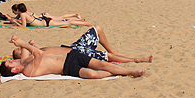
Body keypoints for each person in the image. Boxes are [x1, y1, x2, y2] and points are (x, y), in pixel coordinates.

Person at [0, 36, 146, 78]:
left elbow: (24, 49)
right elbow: (39, 53)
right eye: (10, 63)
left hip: (70, 55)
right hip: (67, 67)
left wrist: (17, 41)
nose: (12, 60)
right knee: (93, 74)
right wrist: (23, 43)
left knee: (102, 65)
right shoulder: (28, 71)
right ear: (13, 70)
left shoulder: (24, 61)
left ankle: (131, 72)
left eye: (10, 59)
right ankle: (122, 72)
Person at [11, 25, 153, 65]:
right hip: (77, 55)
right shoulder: (32, 60)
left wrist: (30, 45)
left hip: (75, 46)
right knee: (106, 56)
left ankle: (114, 51)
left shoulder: (36, 51)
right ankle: (136, 60)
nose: (21, 49)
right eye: (19, 51)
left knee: (97, 29)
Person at [5, 3, 93, 27]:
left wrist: (15, 22)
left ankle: (86, 24)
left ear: (18, 10)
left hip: (46, 23)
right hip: (44, 21)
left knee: (68, 21)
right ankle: (83, 22)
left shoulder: (23, 15)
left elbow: (23, 26)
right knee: (65, 20)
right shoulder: (24, 14)